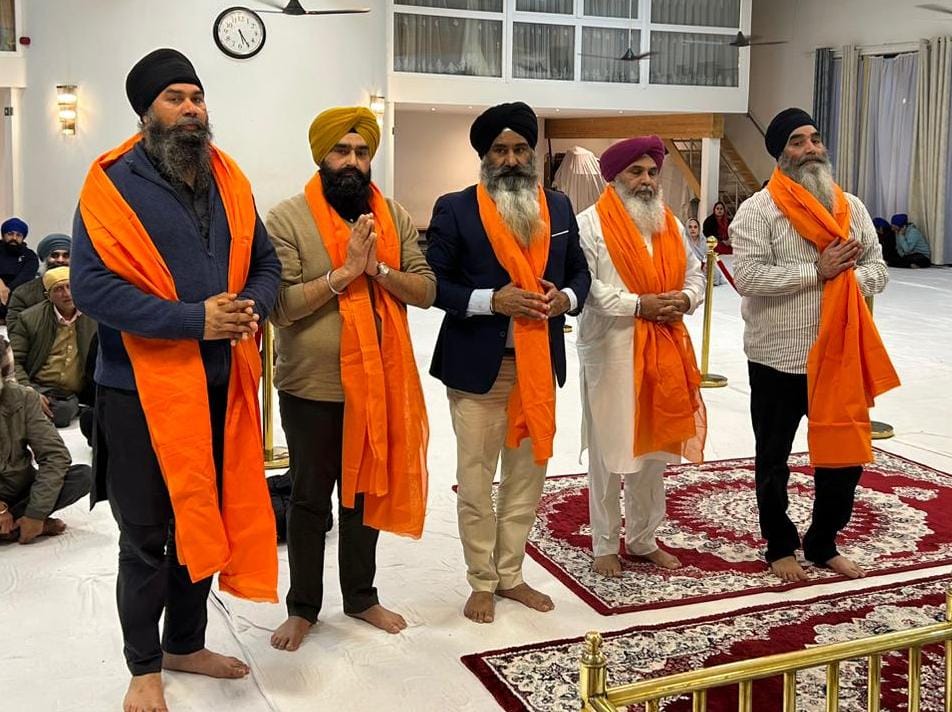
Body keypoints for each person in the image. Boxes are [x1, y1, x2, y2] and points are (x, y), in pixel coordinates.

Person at [70, 48, 282, 712]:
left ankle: (185, 643)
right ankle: (143, 667)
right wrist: (194, 320)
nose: (191, 108)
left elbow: (267, 265)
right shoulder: (110, 184)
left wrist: (250, 307)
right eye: (174, 98)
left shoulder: (230, 178)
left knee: (204, 521)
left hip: (220, 384)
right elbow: (92, 289)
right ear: (146, 111)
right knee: (146, 534)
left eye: (196, 96)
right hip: (138, 392)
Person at [266, 107, 432, 652]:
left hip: (379, 383)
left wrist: (377, 269)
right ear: (322, 156)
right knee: (310, 499)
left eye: (362, 152)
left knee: (364, 495)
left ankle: (361, 597)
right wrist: (344, 274)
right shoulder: (286, 219)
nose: (353, 162)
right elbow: (281, 307)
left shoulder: (394, 216)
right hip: (311, 387)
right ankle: (303, 608)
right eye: (342, 151)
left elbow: (426, 290)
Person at [427, 102, 591, 623]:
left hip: (536, 369)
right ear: (485, 157)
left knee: (526, 479)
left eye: (521, 148)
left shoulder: (558, 208)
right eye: (500, 150)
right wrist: (491, 301)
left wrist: (565, 298)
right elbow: (435, 284)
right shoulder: (456, 209)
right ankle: (481, 579)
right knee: (476, 481)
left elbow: (581, 273)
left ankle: (511, 574)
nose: (512, 159)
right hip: (479, 368)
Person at [731, 107, 898, 584]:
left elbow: (878, 269)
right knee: (774, 459)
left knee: (844, 458)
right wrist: (818, 272)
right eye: (797, 142)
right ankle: (780, 545)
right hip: (777, 358)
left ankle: (824, 541)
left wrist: (845, 280)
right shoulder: (758, 210)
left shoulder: (851, 208)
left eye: (815, 139)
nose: (811, 149)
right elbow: (749, 277)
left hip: (841, 356)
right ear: (780, 154)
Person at [577, 135, 706, 578]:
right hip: (611, 353)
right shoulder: (590, 224)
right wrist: (638, 305)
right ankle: (604, 543)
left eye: (652, 171)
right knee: (609, 451)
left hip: (664, 350)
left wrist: (685, 300)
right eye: (636, 171)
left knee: (653, 451)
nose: (646, 180)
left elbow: (695, 275)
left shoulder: (668, 222)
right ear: (614, 178)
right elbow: (588, 289)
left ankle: (643, 538)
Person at [0, 373, 92, 544]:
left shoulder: (23, 397)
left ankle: (19, 524)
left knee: (83, 476)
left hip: (19, 487)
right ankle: (17, 529)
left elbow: (55, 456)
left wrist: (35, 513)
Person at [8, 267, 96, 428]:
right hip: (39, 386)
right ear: (48, 296)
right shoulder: (29, 319)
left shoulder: (95, 316)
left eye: (70, 286)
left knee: (63, 412)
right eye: (59, 289)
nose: (67, 294)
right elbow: (14, 361)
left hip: (78, 390)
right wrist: (29, 390)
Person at [5, 232, 72, 331]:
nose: (60, 260)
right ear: (45, 259)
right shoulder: (23, 293)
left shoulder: (84, 290)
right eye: (54, 255)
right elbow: (15, 329)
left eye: (66, 256)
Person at [0, 217, 39, 323]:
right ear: (3, 235)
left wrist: (6, 290)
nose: (14, 238)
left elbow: (25, 278)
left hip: (16, 294)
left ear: (23, 238)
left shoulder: (30, 256)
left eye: (18, 235)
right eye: (10, 234)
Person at [685, 217, 724, 286]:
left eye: (695, 227)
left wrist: (706, 264)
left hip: (703, 267)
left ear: (699, 229)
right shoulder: (684, 241)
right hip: (690, 267)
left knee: (714, 274)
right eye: (690, 227)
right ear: (687, 229)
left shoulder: (704, 240)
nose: (693, 229)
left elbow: (708, 256)